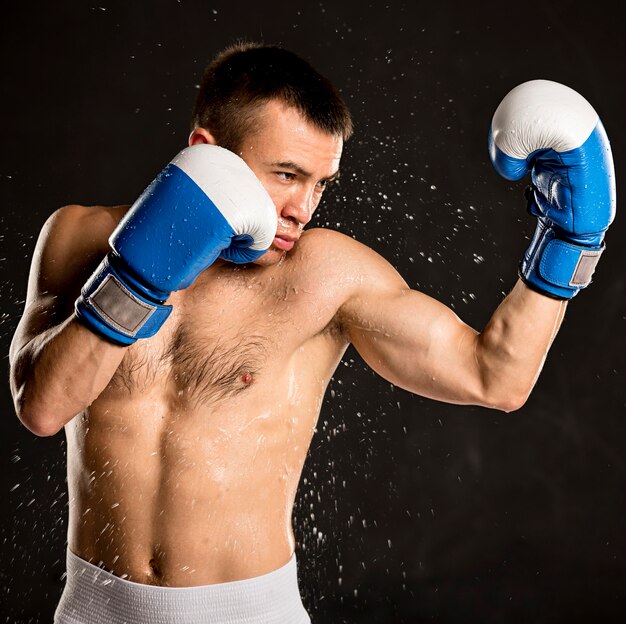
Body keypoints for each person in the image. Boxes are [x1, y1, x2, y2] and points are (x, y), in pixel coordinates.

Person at [8, 42, 615, 624]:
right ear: (205, 150)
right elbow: (40, 407)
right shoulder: (79, 237)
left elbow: (496, 377)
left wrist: (569, 243)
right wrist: (135, 276)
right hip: (94, 611)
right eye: (286, 174)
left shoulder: (325, 273)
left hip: (246, 614)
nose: (303, 207)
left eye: (321, 183)